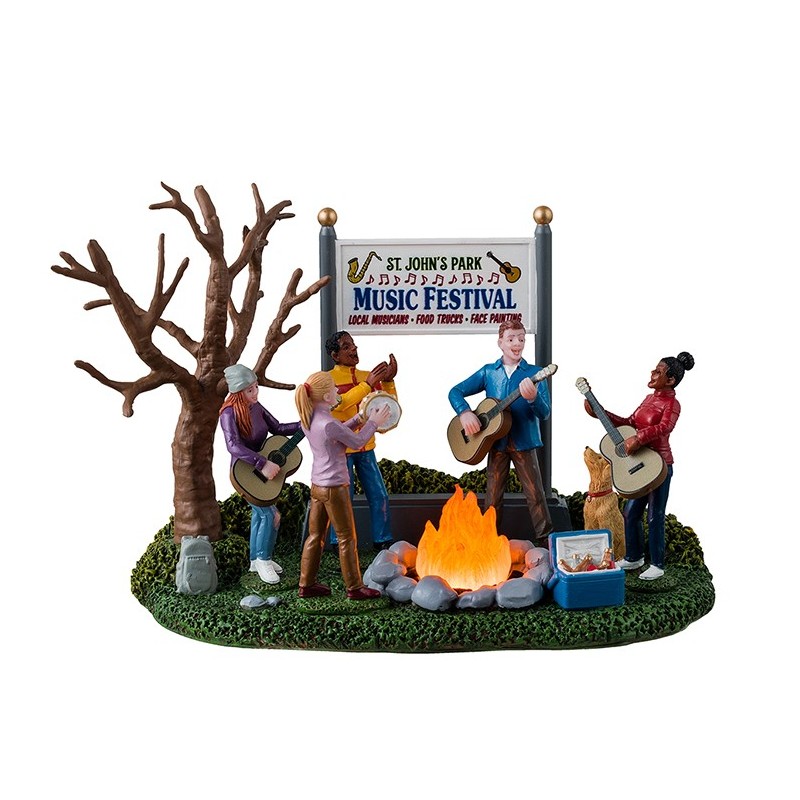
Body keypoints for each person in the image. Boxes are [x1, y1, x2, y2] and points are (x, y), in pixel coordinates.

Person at [583, 351, 695, 580]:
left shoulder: (672, 404)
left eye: (658, 372)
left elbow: (665, 427)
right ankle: (634, 556)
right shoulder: (648, 399)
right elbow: (629, 423)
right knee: (630, 512)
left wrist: (639, 438)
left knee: (655, 516)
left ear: (670, 380)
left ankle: (658, 564)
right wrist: (600, 412)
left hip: (658, 466)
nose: (652, 373)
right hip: (638, 464)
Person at [448, 320, 553, 546]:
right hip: (495, 441)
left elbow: (545, 413)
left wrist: (533, 398)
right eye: (511, 339)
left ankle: (545, 539)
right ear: (500, 343)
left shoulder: (535, 373)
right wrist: (464, 412)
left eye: (521, 339)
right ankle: (488, 539)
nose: (517, 343)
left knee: (535, 493)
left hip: (523, 442)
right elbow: (455, 391)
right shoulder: (489, 372)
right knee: (493, 495)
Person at [295, 371, 392, 599]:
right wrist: (373, 423)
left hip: (317, 485)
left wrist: (359, 418)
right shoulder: (328, 423)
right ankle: (355, 588)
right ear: (326, 396)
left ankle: (306, 584)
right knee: (347, 537)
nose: (337, 390)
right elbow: (356, 442)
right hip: (334, 487)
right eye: (334, 388)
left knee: (315, 536)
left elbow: (338, 434)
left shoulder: (310, 418)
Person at [219, 364, 301, 585]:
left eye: (256, 387)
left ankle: (256, 559)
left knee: (261, 514)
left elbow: (278, 428)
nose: (255, 393)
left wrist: (302, 424)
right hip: (245, 472)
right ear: (238, 392)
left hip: (263, 470)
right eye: (249, 390)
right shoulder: (228, 413)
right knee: (270, 515)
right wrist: (262, 462)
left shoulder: (256, 407)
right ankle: (263, 559)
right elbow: (233, 445)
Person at [325, 331, 398, 551]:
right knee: (342, 498)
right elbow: (341, 403)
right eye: (346, 346)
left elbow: (389, 407)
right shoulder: (328, 380)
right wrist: (367, 385)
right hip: (342, 451)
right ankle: (338, 542)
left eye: (353, 344)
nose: (353, 349)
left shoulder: (368, 376)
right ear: (335, 355)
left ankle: (382, 540)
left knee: (379, 495)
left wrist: (388, 382)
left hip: (366, 448)